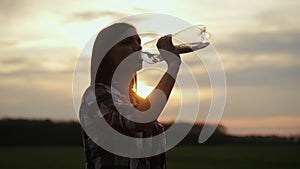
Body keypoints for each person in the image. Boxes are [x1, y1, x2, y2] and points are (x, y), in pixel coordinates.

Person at [79, 22, 181, 169]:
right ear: (106, 55)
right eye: (127, 42)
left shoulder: (136, 100)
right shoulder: (96, 96)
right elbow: (140, 119)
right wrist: (173, 66)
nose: (138, 47)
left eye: (139, 41)